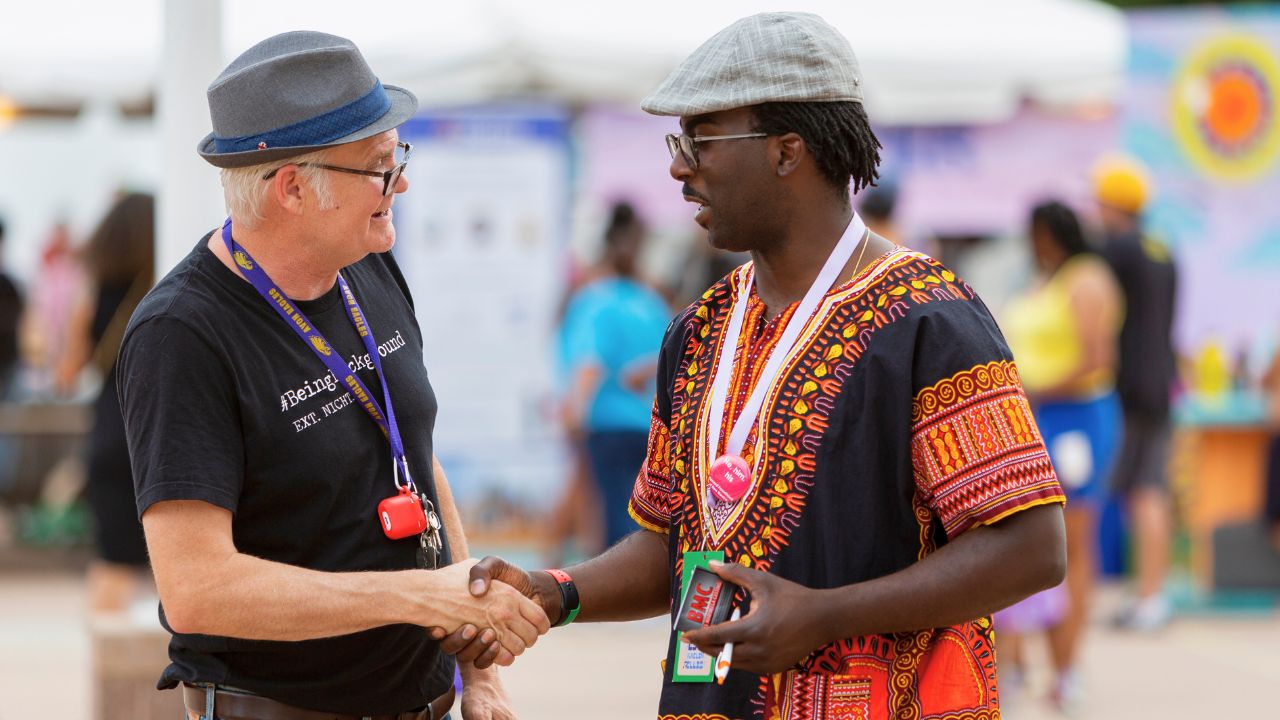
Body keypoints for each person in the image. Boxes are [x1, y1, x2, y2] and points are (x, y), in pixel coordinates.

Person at [446, 13, 1066, 719]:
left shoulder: (931, 320)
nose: (679, 167)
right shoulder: (700, 329)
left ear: (786, 151)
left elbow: (1031, 547)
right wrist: (558, 592)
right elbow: (676, 545)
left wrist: (824, 615)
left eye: (700, 141)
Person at [116, 31, 547, 720]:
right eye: (380, 166)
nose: (400, 181)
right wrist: (414, 595)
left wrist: (473, 665)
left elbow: (418, 459)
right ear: (292, 188)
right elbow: (197, 589)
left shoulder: (365, 264)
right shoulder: (182, 334)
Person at [997, 200, 1124, 710]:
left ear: (1049, 234)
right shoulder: (1045, 278)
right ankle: (1030, 658)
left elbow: (1097, 360)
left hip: (1077, 421)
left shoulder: (1086, 278)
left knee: (1073, 546)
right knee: (1030, 539)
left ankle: (1066, 667)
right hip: (1040, 416)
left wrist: (1034, 389)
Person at [54, 192, 156, 613]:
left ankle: (107, 673)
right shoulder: (164, 288)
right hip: (155, 429)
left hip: (109, 433)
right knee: (175, 564)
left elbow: (66, 375)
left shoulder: (94, 294)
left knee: (113, 564)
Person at [1093, 155, 1179, 632]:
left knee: (1142, 494)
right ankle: (1151, 593)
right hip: (1162, 382)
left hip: (1130, 388)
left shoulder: (1118, 250)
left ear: (1113, 205)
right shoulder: (1162, 248)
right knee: (1151, 492)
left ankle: (1148, 597)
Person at [558, 201, 672, 549]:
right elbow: (671, 353)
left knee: (613, 519)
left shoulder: (595, 300)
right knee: (645, 514)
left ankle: (618, 590)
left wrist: (575, 409)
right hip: (649, 424)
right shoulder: (651, 301)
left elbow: (590, 361)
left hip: (606, 424)